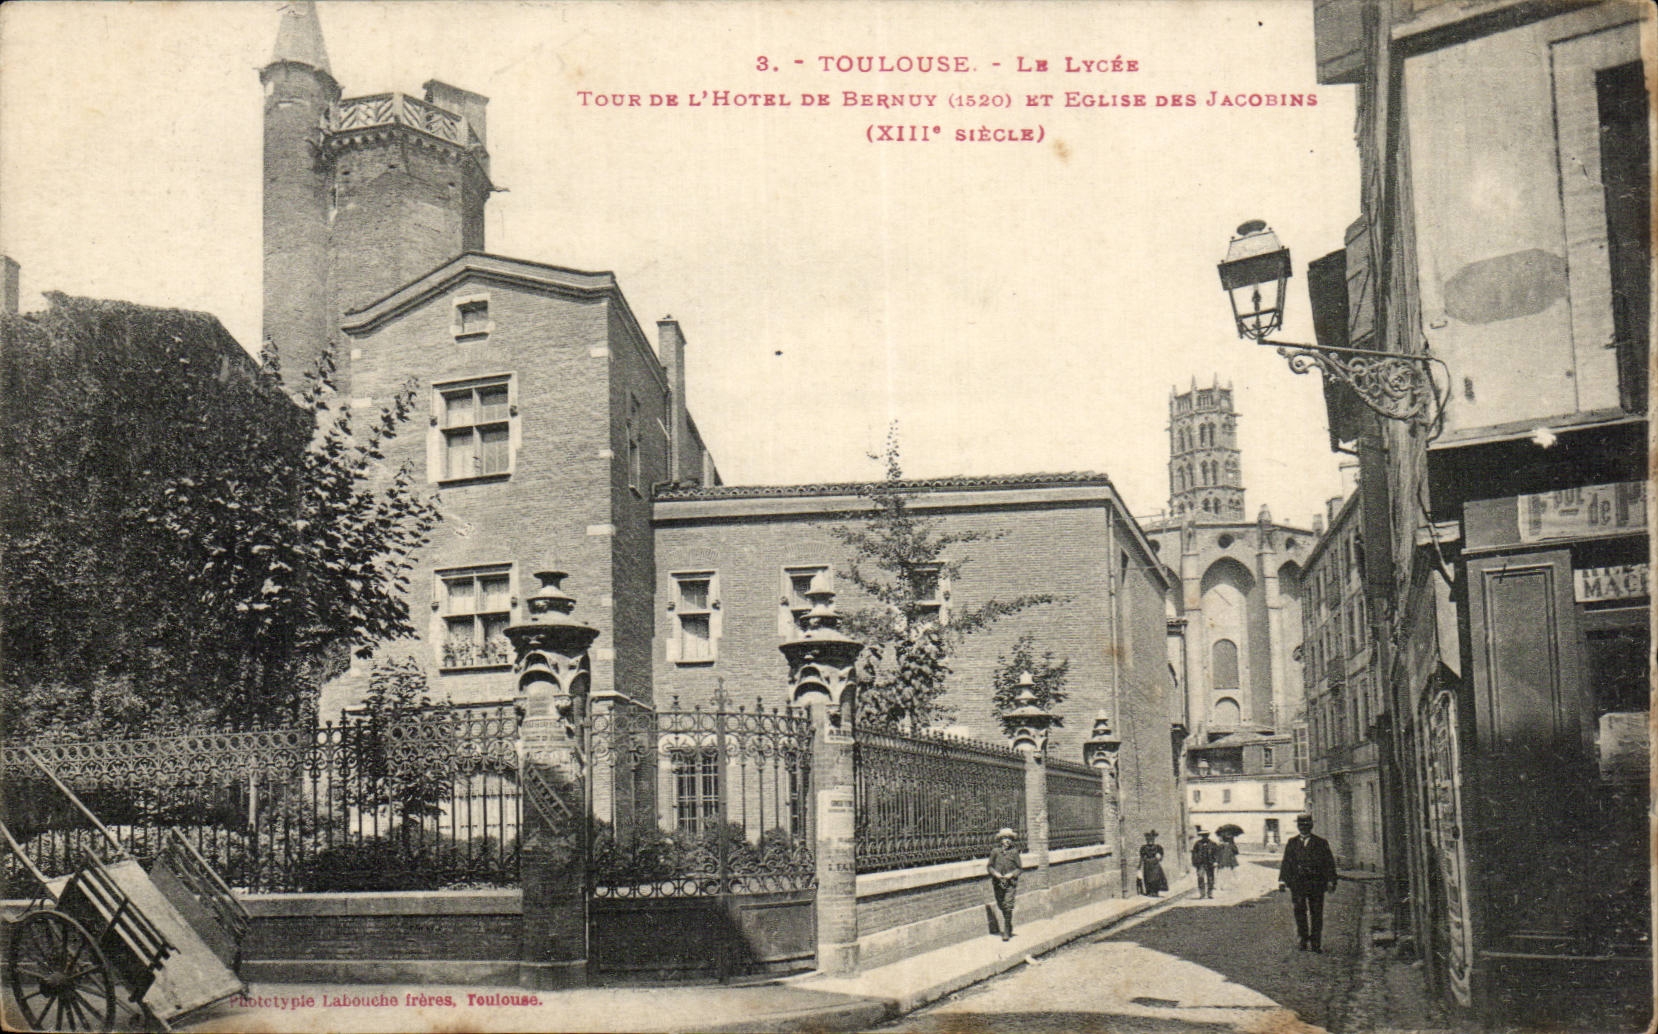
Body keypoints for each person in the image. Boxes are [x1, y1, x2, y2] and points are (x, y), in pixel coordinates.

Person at [1279, 813, 1339, 952]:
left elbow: (1329, 863)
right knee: (1299, 912)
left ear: (1311, 825)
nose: (1303, 827)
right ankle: (1303, 939)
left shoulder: (1320, 843)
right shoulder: (1292, 842)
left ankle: (1316, 942)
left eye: (1306, 824)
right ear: (1298, 826)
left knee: (1316, 913)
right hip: (1298, 884)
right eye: (1301, 825)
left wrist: (1331, 880)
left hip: (1316, 883)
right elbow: (1286, 863)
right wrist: (1282, 880)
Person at [987, 827, 1021, 940]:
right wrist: (995, 873)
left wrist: (1011, 875)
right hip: (998, 883)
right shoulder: (995, 852)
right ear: (1001, 840)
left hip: (1010, 883)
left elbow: (1019, 868)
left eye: (1009, 838)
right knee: (1001, 904)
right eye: (1005, 838)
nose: (1007, 840)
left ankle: (1006, 930)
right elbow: (989, 866)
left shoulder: (1014, 852)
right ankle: (1009, 923)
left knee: (1008, 904)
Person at [1191, 827, 1218, 898]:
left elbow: (1216, 853)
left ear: (1208, 835)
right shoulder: (1197, 844)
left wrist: (1215, 861)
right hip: (1200, 864)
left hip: (1210, 863)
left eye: (1206, 835)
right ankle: (1202, 893)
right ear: (1201, 836)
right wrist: (1194, 862)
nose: (1204, 836)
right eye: (1203, 835)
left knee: (1210, 878)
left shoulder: (1213, 844)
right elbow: (1194, 853)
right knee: (1200, 877)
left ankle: (1210, 893)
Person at [1139, 830, 1168, 897]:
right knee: (1148, 878)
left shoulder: (1157, 847)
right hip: (1147, 865)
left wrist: (1159, 857)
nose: (1150, 841)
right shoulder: (1144, 848)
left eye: (1151, 840)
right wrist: (1141, 863)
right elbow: (1142, 856)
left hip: (1155, 865)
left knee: (1156, 878)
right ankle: (1149, 891)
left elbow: (1161, 855)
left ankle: (1155, 892)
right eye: (1148, 840)